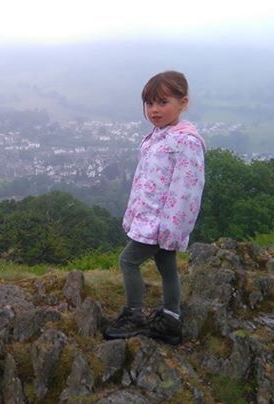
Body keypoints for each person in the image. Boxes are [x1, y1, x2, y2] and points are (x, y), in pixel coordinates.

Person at [104, 71, 206, 345]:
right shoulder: (157, 137)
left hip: (161, 223)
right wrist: (133, 214)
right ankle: (171, 318)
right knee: (166, 265)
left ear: (183, 103)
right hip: (149, 219)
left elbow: (186, 190)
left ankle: (134, 314)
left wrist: (172, 228)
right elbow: (143, 183)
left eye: (163, 102)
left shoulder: (186, 142)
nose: (154, 110)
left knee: (128, 261)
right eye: (149, 103)